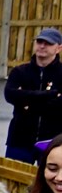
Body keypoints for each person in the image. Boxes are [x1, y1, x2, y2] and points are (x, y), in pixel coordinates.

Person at [4, 28, 62, 163]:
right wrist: (49, 95)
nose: (42, 46)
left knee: (51, 180)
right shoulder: (19, 72)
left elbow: (59, 105)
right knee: (14, 177)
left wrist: (26, 98)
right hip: (19, 138)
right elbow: (10, 95)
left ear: (58, 48)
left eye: (48, 43)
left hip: (52, 140)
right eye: (39, 42)